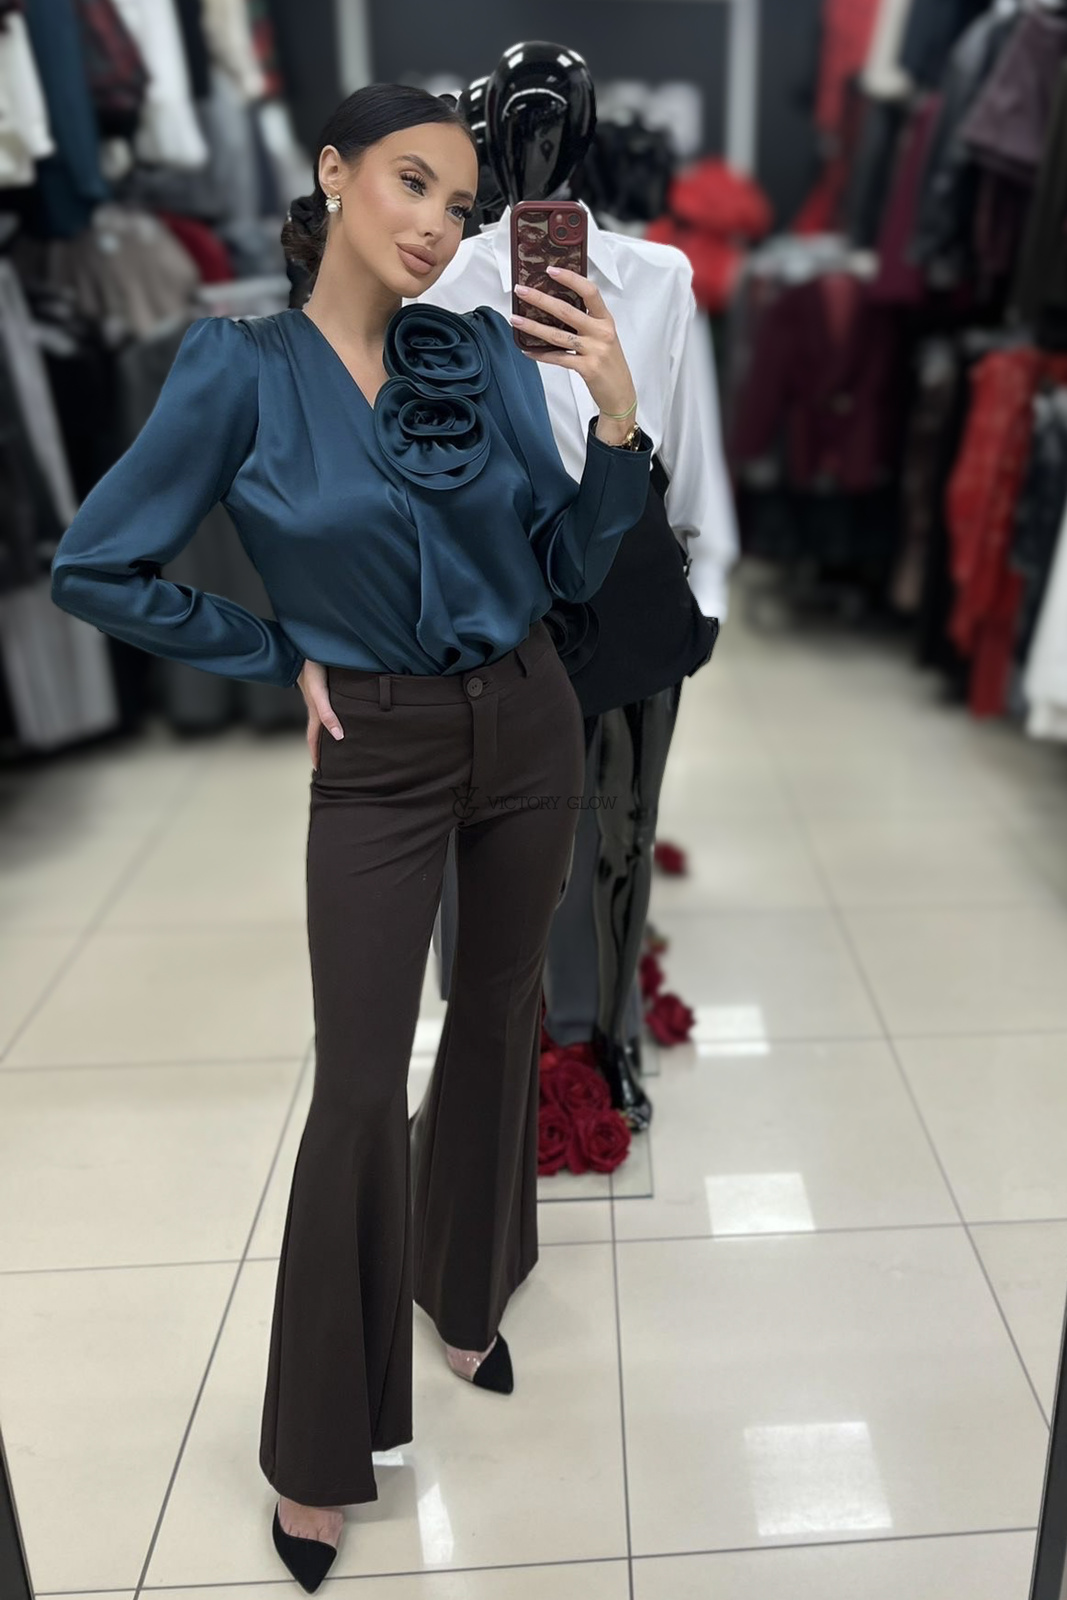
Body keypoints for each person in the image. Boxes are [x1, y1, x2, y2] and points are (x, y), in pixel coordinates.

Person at [48, 83, 652, 1593]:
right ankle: (319, 1453)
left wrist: (614, 422)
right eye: (410, 181)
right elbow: (96, 565)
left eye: (459, 202)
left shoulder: (479, 353)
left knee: (501, 1019)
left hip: (529, 720)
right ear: (332, 172)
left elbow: (569, 566)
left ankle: (466, 1291)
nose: (437, 224)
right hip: (373, 751)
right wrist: (275, 651)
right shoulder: (237, 368)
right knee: (361, 1081)